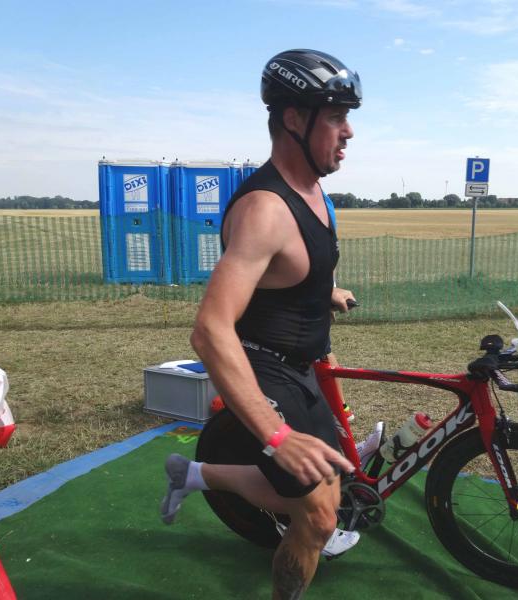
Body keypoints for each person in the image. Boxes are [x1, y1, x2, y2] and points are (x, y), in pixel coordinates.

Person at [160, 49, 367, 600]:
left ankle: (194, 475)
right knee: (319, 518)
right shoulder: (264, 209)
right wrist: (276, 436)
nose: (348, 132)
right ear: (293, 119)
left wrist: (324, 292)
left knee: (327, 498)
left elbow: (289, 271)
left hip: (302, 368)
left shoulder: (314, 193)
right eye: (336, 117)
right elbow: (210, 329)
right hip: (265, 370)